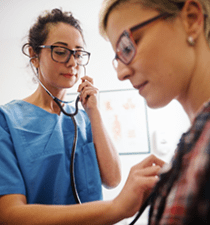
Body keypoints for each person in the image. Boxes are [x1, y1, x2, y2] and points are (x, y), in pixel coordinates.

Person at [0, 7, 165, 225]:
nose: (72, 63)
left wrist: (94, 112)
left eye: (78, 53)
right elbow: (9, 215)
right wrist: (115, 208)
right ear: (34, 55)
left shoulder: (84, 116)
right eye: (60, 51)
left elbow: (113, 179)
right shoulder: (7, 121)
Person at [98, 0, 210, 224]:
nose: (121, 73)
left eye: (128, 47)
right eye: (117, 58)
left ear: (190, 19)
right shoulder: (191, 146)